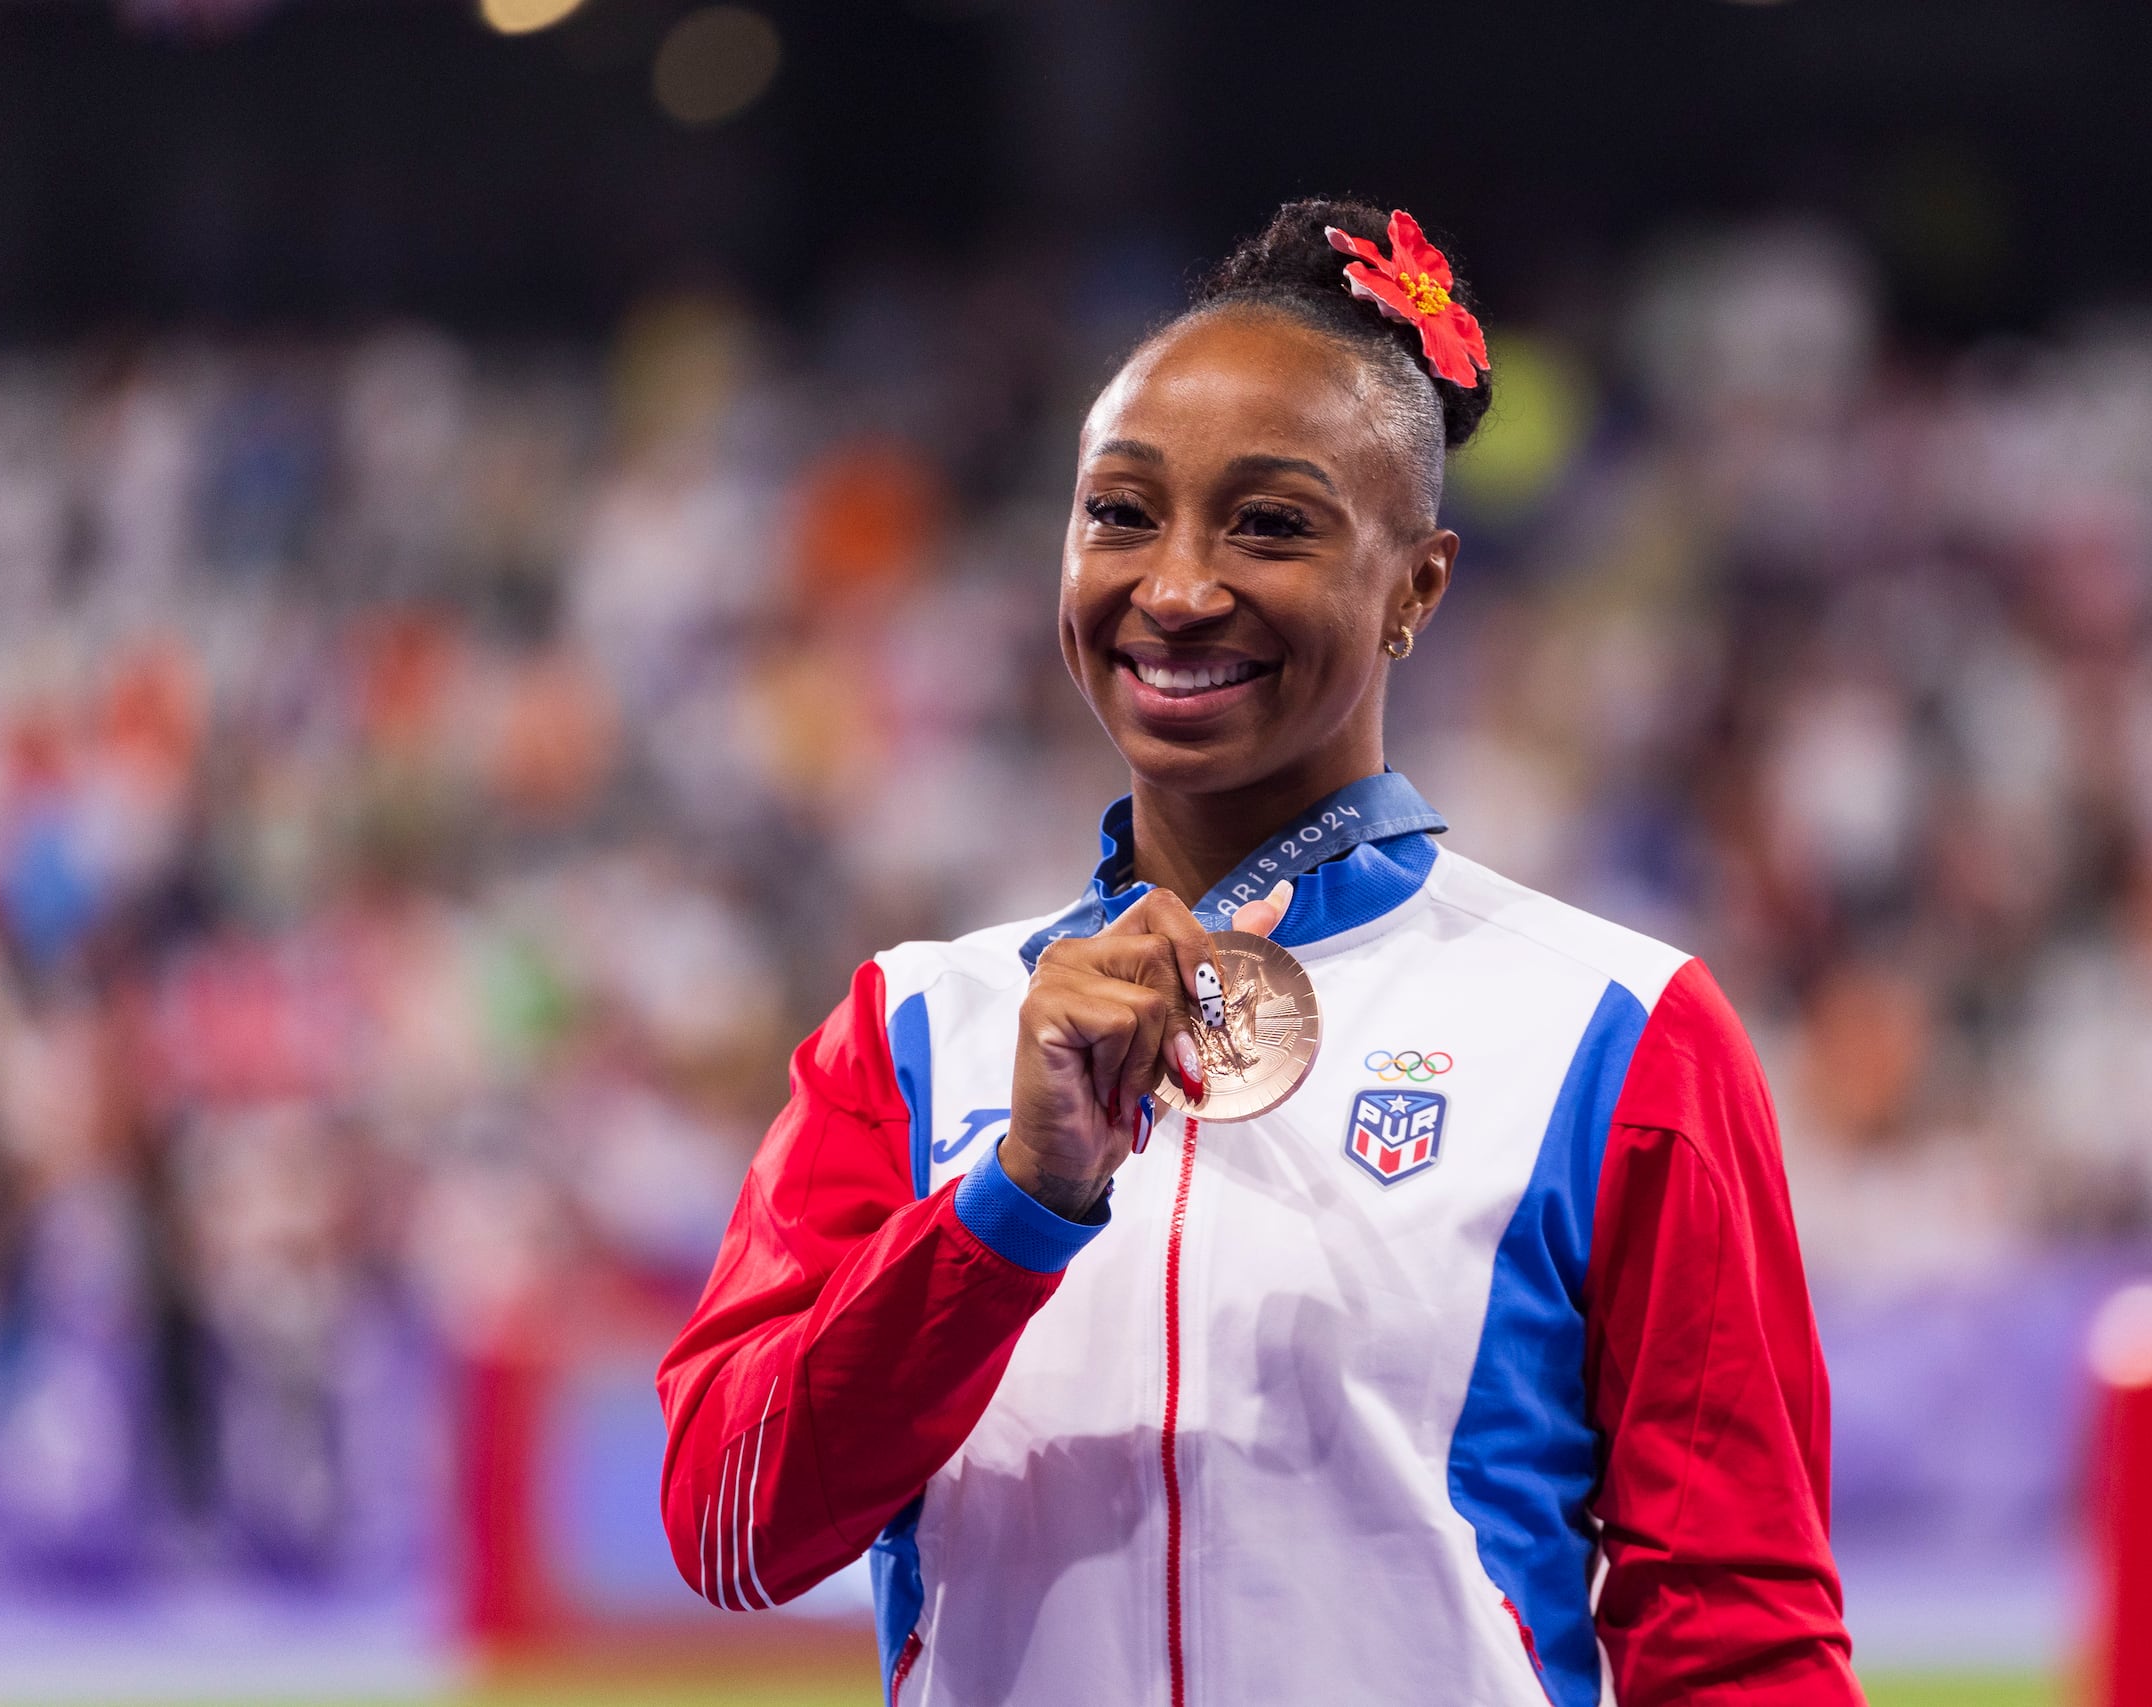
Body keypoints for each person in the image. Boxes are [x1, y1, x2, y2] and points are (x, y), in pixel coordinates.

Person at [657, 201, 1858, 1707]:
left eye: (1273, 524)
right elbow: (723, 1524)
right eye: (1119, 512)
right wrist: (1016, 1204)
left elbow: (1740, 1632)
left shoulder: (1614, 1033)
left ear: (1417, 585)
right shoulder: (914, 1030)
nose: (1173, 587)